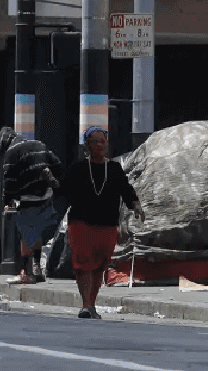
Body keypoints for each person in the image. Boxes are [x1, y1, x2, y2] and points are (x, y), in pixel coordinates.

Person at [60, 127, 145, 319]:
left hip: (107, 224)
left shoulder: (114, 168)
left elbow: (126, 189)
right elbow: (62, 190)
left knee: (99, 264)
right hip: (81, 223)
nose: (99, 145)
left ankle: (92, 304)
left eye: (102, 141)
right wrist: (51, 182)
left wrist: (136, 205)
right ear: (87, 145)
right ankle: (85, 304)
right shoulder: (78, 168)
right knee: (83, 264)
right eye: (95, 141)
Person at [2, 136, 65, 283]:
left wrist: (8, 201)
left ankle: (26, 272)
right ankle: (36, 268)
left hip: (27, 196)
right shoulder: (38, 143)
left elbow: (8, 181)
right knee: (36, 230)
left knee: (26, 233)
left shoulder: (11, 152)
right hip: (45, 194)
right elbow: (57, 163)